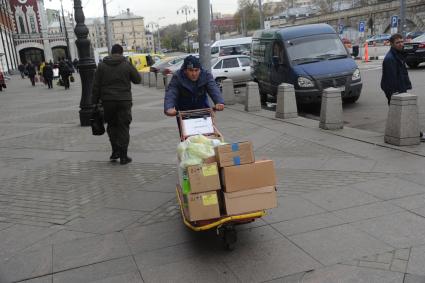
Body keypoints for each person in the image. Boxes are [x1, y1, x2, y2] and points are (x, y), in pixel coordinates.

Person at [92, 44, 142, 165]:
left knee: (112, 126)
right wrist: (130, 66)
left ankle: (115, 151)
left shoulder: (101, 66)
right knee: (123, 127)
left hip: (108, 101)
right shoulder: (126, 64)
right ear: (121, 52)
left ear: (111, 52)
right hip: (124, 101)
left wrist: (94, 102)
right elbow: (138, 79)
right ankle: (123, 156)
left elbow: (96, 86)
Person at [163, 55, 225, 133]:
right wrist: (169, 107)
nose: (194, 73)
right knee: (187, 140)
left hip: (202, 110)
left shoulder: (205, 75)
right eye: (191, 70)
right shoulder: (178, 77)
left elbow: (213, 88)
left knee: (207, 137)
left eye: (196, 70)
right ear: (185, 70)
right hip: (184, 112)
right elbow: (171, 92)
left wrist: (219, 102)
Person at [381, 33, 412, 105]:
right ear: (391, 44)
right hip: (396, 92)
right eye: (397, 42)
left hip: (401, 89)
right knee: (396, 114)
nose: (401, 44)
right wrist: (393, 94)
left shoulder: (399, 54)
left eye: (402, 42)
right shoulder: (390, 59)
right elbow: (390, 80)